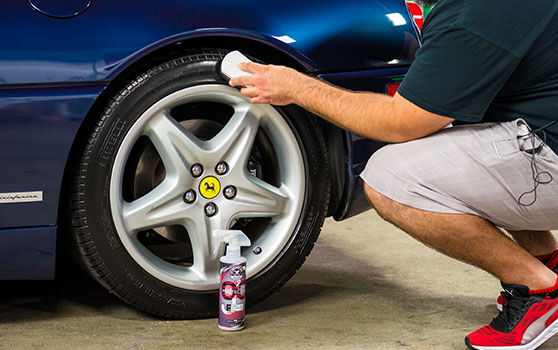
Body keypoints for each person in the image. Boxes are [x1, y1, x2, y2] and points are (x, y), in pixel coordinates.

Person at [229, 0, 558, 348]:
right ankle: (546, 261)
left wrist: (297, 87)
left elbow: (401, 122)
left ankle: (536, 290)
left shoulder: (473, 13)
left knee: (390, 178)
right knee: (478, 127)